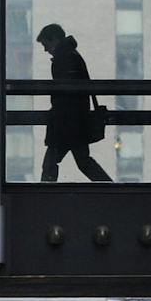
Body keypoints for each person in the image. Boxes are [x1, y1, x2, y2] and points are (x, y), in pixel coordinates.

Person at [36, 23, 112, 183]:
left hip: (66, 122)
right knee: (83, 162)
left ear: (54, 39)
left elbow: (65, 92)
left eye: (46, 44)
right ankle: (111, 190)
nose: (45, 49)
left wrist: (57, 115)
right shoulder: (72, 55)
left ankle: (43, 197)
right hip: (76, 121)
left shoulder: (64, 58)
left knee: (51, 163)